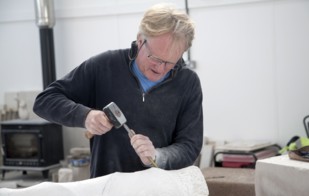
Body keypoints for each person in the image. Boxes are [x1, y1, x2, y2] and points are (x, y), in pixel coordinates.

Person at [33, 3, 203, 178]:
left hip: (161, 193)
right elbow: (44, 101)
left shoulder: (188, 82)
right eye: (155, 58)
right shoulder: (104, 66)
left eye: (170, 63)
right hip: (106, 192)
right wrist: (85, 116)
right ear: (140, 40)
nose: (160, 69)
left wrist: (157, 157)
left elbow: (189, 146)